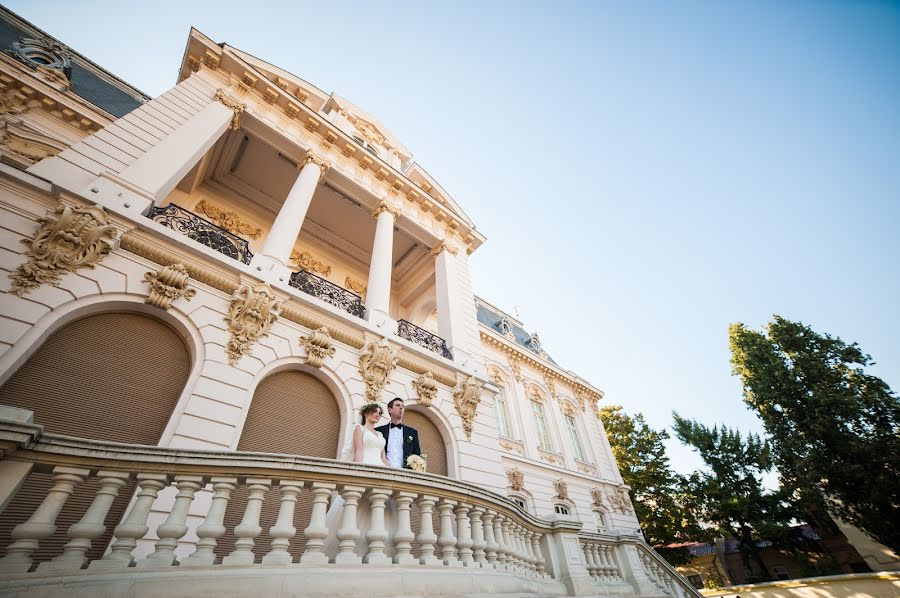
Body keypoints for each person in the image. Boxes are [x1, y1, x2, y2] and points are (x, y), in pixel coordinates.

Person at [323, 401, 392, 561]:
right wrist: (358, 471)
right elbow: (359, 451)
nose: (377, 414)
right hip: (366, 466)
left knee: (378, 509)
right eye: (374, 411)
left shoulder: (380, 436)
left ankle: (374, 551)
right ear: (366, 413)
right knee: (358, 508)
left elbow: (384, 459)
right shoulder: (359, 429)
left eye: (379, 413)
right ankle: (353, 550)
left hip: (380, 470)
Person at [376, 398, 422, 470]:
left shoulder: (412, 432)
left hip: (405, 474)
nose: (401, 407)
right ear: (390, 410)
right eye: (397, 405)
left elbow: (417, 455)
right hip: (383, 471)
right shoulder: (379, 431)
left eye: (402, 406)